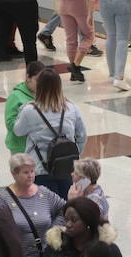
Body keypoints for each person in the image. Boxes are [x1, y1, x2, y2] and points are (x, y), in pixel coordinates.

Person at [12, 67, 88, 198]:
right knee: (66, 207)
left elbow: (18, 131)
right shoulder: (71, 108)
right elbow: (82, 136)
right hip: (67, 168)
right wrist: (73, 155)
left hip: (40, 169)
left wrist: (23, 108)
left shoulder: (30, 110)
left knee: (45, 210)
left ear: (39, 86)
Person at [1, 152, 66, 257]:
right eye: (25, 172)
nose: (30, 176)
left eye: (32, 171)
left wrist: (55, 230)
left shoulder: (43, 193)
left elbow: (64, 209)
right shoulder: (4, 198)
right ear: (14, 173)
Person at [4, 60, 44, 155]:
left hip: (39, 145)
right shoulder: (15, 96)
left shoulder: (44, 94)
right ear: (28, 77)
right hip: (20, 147)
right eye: (38, 80)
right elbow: (10, 123)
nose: (41, 84)